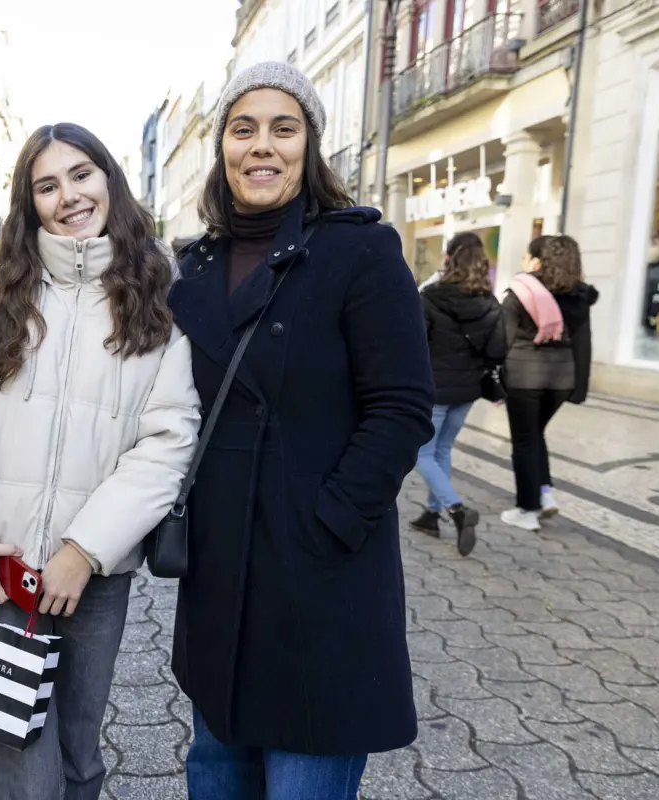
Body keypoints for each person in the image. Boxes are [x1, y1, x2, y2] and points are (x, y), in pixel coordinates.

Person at [166, 61, 434, 799]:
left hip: (322, 579)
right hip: (222, 577)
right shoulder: (192, 268)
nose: (262, 145)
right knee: (218, 772)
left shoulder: (359, 251)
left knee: (304, 781)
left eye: (283, 129)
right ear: (221, 147)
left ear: (309, 147)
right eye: (242, 127)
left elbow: (403, 405)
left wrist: (332, 520)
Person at [0, 122, 200, 800]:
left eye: (81, 174)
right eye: (47, 185)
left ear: (109, 178)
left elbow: (169, 439)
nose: (69, 195)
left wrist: (86, 547)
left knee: (78, 752)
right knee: (19, 756)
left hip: (96, 572)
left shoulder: (160, 296)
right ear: (29, 203)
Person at [410, 232, 507, 556]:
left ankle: (457, 510)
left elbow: (416, 344)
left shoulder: (430, 296)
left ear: (449, 258)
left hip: (434, 387)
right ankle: (431, 515)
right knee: (442, 451)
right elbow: (497, 350)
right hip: (467, 390)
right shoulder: (490, 302)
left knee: (421, 454)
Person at [500, 234, 598, 531]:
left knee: (525, 441)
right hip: (561, 379)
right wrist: (579, 388)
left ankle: (527, 510)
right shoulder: (579, 297)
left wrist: (491, 375)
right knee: (535, 435)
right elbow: (584, 344)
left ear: (540, 259)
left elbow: (501, 337)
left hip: (523, 377)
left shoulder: (521, 290)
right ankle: (545, 493)